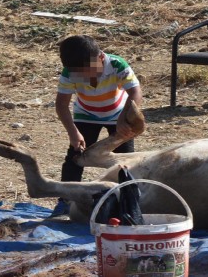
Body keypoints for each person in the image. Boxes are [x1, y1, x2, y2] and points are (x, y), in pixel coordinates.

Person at [52, 35, 142, 216]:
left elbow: (135, 91)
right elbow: (61, 104)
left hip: (118, 114)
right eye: (80, 73)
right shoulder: (70, 72)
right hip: (86, 115)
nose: (86, 76)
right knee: (74, 159)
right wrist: (73, 132)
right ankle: (65, 201)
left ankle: (128, 203)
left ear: (101, 57)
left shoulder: (117, 64)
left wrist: (124, 118)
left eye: (89, 71)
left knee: (124, 161)